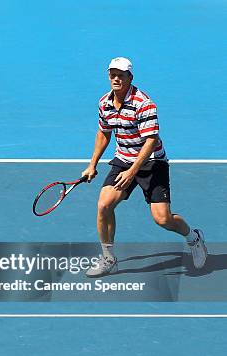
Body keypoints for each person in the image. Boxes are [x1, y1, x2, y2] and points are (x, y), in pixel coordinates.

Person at [82, 57, 207, 277]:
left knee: (163, 219)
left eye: (121, 75)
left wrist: (132, 172)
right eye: (113, 74)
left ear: (130, 77)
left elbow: (151, 141)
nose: (116, 78)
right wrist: (92, 164)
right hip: (123, 159)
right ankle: (109, 259)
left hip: (152, 162)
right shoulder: (104, 103)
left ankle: (194, 238)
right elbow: (104, 132)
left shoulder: (144, 103)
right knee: (104, 206)